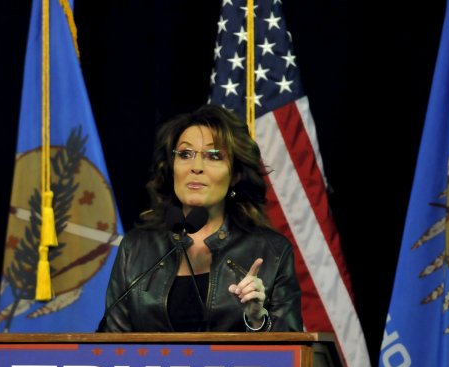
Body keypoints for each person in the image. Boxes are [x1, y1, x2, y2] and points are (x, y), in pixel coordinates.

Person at [98, 104, 303, 333]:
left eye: (213, 156)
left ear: (235, 175)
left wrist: (257, 320)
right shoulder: (136, 247)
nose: (196, 167)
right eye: (185, 154)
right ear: (171, 166)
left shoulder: (270, 251)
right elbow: (110, 345)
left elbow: (291, 355)